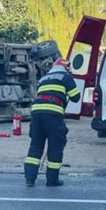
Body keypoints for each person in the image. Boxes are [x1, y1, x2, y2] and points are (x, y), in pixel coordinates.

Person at [24, 58, 81, 187]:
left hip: (36, 113)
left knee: (36, 146)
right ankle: (52, 180)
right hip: (53, 114)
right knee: (55, 146)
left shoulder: (43, 79)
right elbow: (76, 97)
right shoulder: (65, 77)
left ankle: (30, 178)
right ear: (66, 68)